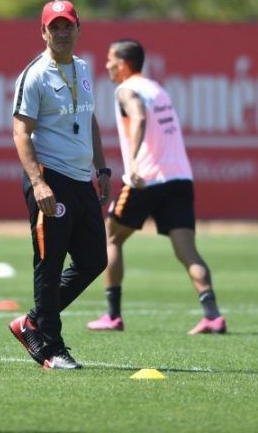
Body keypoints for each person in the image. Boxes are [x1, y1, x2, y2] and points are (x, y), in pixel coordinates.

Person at [87, 39, 226, 335]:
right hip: (180, 179)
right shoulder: (158, 89)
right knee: (187, 250)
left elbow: (137, 117)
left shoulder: (127, 89)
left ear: (123, 64)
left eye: (110, 59)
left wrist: (133, 163)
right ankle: (212, 315)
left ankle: (112, 315)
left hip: (146, 179)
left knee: (110, 238)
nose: (106, 65)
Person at [10, 0, 110, 369]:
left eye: (67, 25)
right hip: (50, 178)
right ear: (43, 32)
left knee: (94, 259)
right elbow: (21, 131)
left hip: (82, 179)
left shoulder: (83, 67)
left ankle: (33, 321)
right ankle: (51, 346)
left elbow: (90, 119)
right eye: (55, 27)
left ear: (78, 28)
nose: (62, 32)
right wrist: (38, 183)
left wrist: (102, 169)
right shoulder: (35, 75)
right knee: (48, 265)